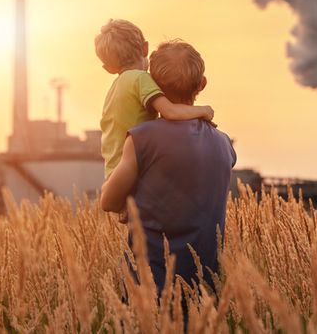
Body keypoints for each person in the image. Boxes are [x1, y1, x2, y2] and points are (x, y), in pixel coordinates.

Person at [99, 40, 237, 294]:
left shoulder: (142, 138)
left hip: (149, 287)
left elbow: (108, 201)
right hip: (206, 288)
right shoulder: (224, 144)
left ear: (152, 85)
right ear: (202, 84)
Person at [95, 19, 215, 181]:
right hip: (132, 173)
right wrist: (204, 111)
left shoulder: (117, 87)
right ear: (145, 48)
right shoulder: (140, 79)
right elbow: (170, 111)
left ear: (108, 68)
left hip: (114, 174)